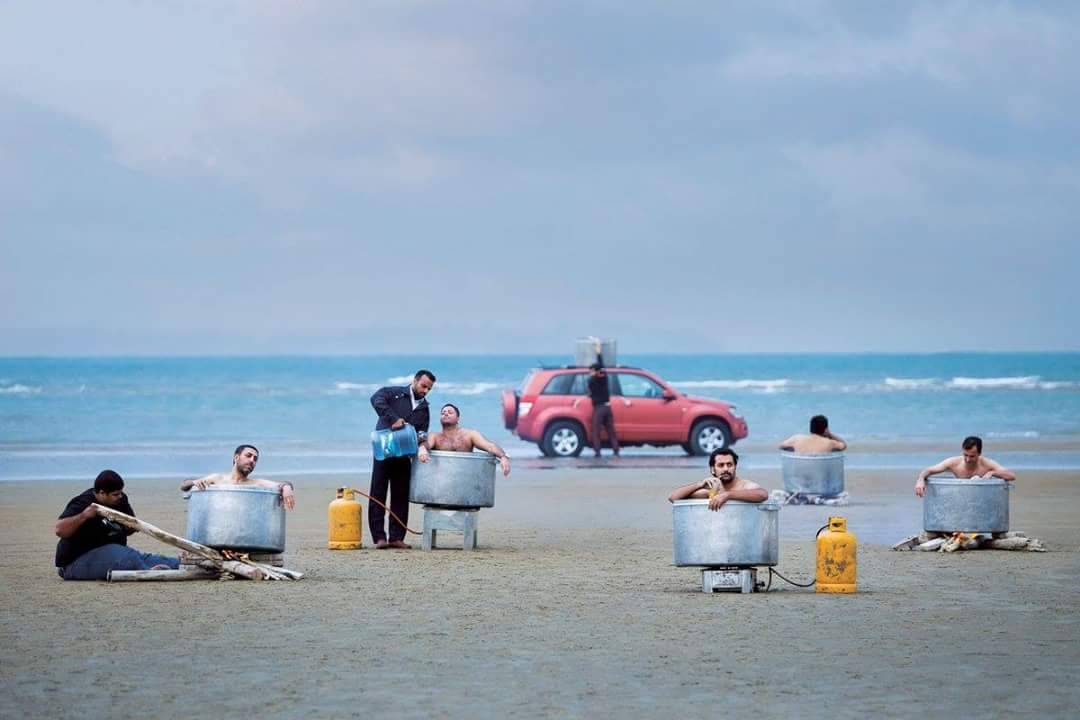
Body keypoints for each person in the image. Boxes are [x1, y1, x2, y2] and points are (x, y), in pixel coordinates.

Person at [55, 470, 179, 580]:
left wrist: (131, 527)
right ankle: (150, 572)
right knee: (127, 558)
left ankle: (181, 565)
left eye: (120, 493)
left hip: (115, 553)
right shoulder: (83, 502)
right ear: (102, 493)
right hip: (76, 562)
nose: (120, 496)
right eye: (115, 494)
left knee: (143, 557)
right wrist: (84, 515)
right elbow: (60, 530)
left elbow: (130, 527)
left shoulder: (121, 499)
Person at [368, 369, 435, 549]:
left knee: (400, 495)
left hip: (405, 455)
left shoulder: (424, 408)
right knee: (378, 493)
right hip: (384, 449)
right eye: (423, 386)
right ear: (414, 380)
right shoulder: (393, 393)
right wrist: (393, 418)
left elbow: (422, 431)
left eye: (429, 389)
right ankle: (379, 538)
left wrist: (422, 445)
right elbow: (375, 399)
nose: (425, 391)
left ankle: (396, 537)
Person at [180, 444, 296, 510]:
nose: (252, 461)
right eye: (248, 456)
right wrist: (194, 482)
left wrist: (286, 488)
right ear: (236, 457)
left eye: (255, 459)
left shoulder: (257, 483)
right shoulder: (217, 479)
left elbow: (284, 483)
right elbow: (184, 486)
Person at [417, 403, 511, 476]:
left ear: (458, 418)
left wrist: (503, 457)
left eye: (450, 412)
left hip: (464, 477)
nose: (446, 413)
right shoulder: (435, 436)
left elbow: (489, 446)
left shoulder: (469, 435)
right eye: (443, 413)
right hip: (441, 479)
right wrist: (422, 449)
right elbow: (426, 444)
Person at [668, 448, 769, 510]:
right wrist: (699, 484)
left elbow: (762, 494)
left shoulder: (744, 485)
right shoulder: (711, 490)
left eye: (729, 465)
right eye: (721, 465)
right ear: (713, 469)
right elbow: (674, 498)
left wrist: (728, 495)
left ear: (735, 467)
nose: (726, 469)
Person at [914, 436, 1016, 497]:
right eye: (965, 455)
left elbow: (1011, 476)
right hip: (961, 497)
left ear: (979, 453)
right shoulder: (954, 462)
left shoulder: (987, 464)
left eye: (972, 456)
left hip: (981, 498)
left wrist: (992, 473)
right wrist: (920, 479)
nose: (967, 459)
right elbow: (929, 470)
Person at [588, 361, 619, 457]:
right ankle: (616, 450)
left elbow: (592, 390)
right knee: (611, 431)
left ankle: (597, 452)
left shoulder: (591, 381)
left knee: (596, 431)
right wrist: (599, 354)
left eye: (591, 371)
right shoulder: (605, 378)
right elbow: (602, 368)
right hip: (608, 407)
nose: (590, 373)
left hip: (599, 408)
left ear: (595, 371)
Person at [779, 414, 847, 455]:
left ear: (811, 428)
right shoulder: (830, 443)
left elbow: (781, 446)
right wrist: (830, 434)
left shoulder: (796, 439)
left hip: (800, 476)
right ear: (826, 430)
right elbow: (844, 445)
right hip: (821, 477)